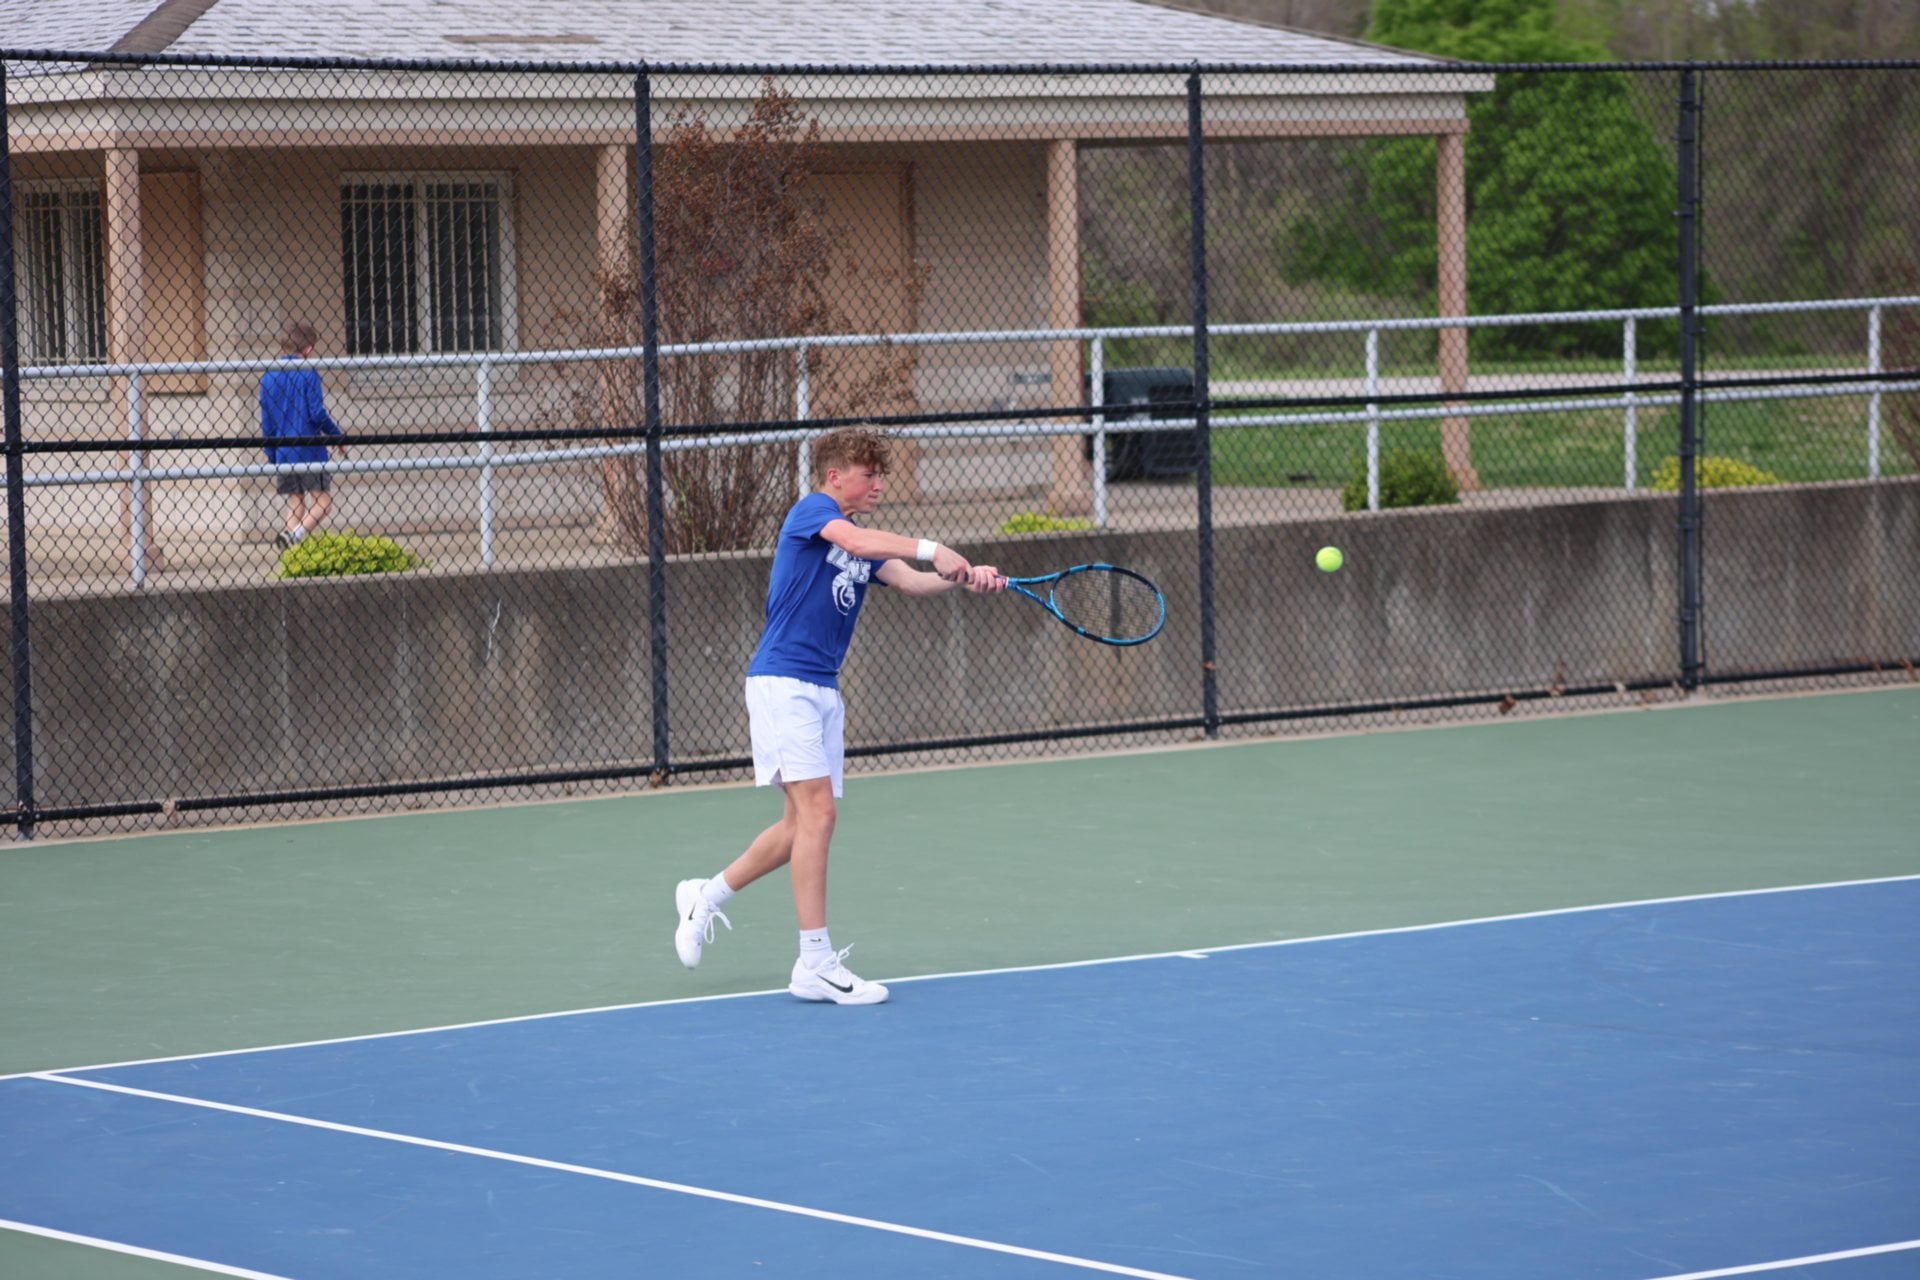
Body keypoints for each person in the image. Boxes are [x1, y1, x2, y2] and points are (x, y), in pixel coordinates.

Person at [673, 425, 1003, 1005]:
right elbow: (862, 544)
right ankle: (814, 963)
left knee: (799, 826)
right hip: (783, 684)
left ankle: (707, 895)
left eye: (880, 475)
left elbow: (910, 582)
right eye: (867, 474)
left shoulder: (860, 541)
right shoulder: (813, 512)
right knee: (820, 816)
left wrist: (961, 580)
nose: (877, 484)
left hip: (823, 690)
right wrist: (933, 546)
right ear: (835, 477)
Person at [260, 321, 346, 550]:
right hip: (310, 449)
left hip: (284, 451)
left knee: (295, 502)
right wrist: (337, 436)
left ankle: (290, 556)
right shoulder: (308, 373)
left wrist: (272, 453)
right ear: (308, 349)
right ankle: (294, 536)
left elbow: (267, 421)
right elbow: (316, 413)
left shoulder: (269, 376)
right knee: (323, 503)